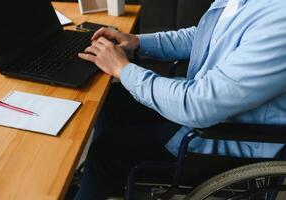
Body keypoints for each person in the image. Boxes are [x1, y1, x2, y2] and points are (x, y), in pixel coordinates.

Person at [75, 0, 286, 199]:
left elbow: (199, 105)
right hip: (208, 109)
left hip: (230, 137)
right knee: (113, 102)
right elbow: (206, 35)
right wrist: (139, 42)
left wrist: (123, 69)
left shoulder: (279, 21)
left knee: (106, 152)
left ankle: (99, 181)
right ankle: (101, 185)